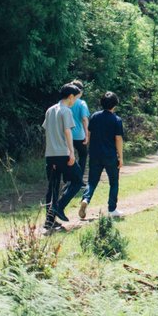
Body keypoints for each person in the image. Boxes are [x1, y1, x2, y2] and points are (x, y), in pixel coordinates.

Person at [42, 84, 82, 230]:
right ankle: (59, 206)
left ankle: (49, 221)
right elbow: (67, 132)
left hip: (50, 154)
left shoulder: (50, 110)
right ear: (70, 96)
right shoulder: (66, 111)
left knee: (52, 186)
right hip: (63, 153)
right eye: (75, 99)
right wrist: (71, 152)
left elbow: (47, 130)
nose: (75, 102)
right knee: (77, 180)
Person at [79, 91, 126, 219]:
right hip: (110, 155)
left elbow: (89, 133)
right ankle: (112, 209)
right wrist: (120, 157)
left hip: (94, 154)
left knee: (92, 181)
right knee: (114, 182)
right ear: (115, 104)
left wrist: (89, 148)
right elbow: (118, 139)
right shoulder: (116, 120)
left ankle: (86, 199)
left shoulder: (94, 116)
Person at [68, 80, 91, 185]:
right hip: (79, 135)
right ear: (80, 91)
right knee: (83, 155)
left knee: (68, 156)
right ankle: (79, 179)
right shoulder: (82, 103)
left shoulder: (66, 102)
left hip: (66, 134)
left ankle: (68, 179)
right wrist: (87, 135)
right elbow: (85, 119)